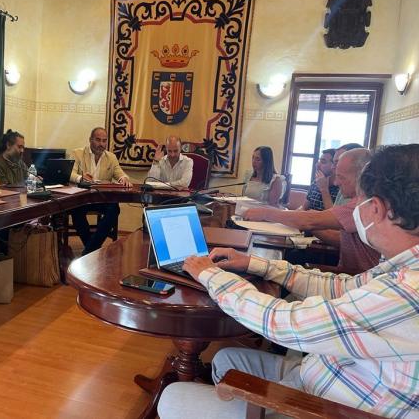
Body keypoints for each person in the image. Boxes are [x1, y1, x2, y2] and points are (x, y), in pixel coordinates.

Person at [158, 144, 419, 419]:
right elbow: (338, 287)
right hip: (329, 373)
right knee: (226, 359)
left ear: (375, 208)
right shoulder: (400, 269)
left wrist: (210, 274)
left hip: (323, 407)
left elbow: (284, 322)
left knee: (172, 397)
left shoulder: (406, 291)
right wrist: (254, 264)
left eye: (360, 204)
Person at [244, 148, 379, 274]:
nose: (337, 182)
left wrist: (265, 213)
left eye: (342, 177)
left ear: (362, 177)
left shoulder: (362, 205)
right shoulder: (358, 200)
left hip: (356, 278)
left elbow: (309, 222)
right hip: (349, 273)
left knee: (272, 269)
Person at [69, 127, 131, 255]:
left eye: (104, 141)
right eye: (98, 140)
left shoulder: (111, 157)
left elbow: (120, 173)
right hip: (82, 199)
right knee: (76, 211)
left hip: (101, 199)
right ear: (90, 140)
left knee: (114, 209)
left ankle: (89, 251)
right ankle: (93, 250)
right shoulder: (77, 153)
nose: (101, 144)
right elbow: (70, 173)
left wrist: (124, 178)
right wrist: (81, 178)